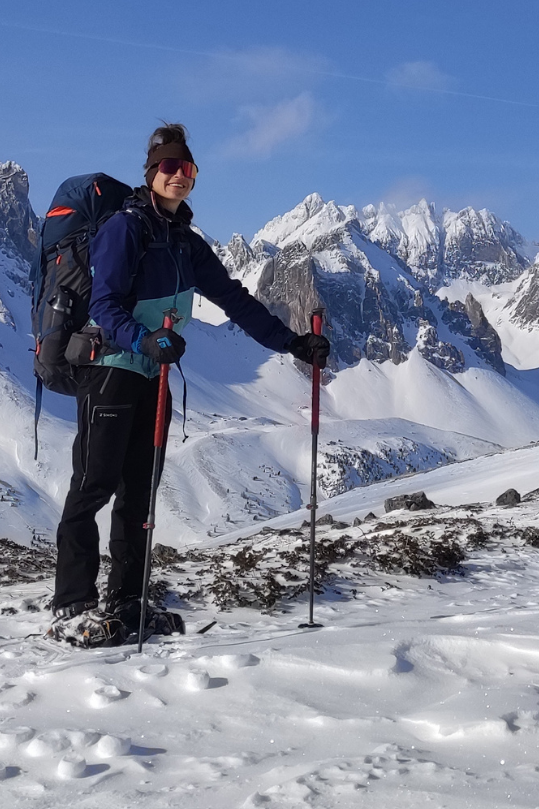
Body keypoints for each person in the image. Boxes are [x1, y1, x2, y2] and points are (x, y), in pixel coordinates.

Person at [46, 123, 331, 647]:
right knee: (93, 486)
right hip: (111, 369)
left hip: (152, 376)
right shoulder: (124, 229)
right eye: (170, 167)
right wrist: (145, 339)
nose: (179, 176)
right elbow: (105, 305)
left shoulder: (185, 243)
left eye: (188, 168)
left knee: (139, 497)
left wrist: (291, 343)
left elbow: (236, 301)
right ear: (152, 173)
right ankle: (72, 605)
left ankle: (127, 602)